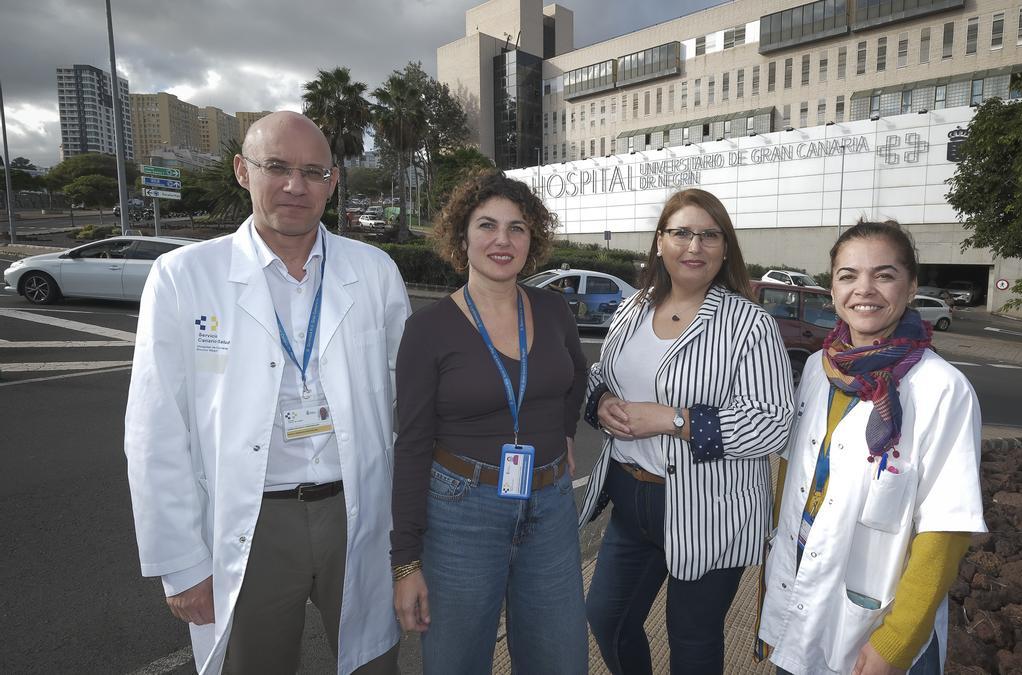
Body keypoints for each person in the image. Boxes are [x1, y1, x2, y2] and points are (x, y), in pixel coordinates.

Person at [124, 111, 410, 675]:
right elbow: (154, 429)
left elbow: (408, 406)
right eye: (276, 167)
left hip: (357, 512)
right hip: (252, 522)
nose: (295, 185)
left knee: (374, 663)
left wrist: (411, 542)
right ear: (241, 170)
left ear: (333, 182)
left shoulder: (375, 271)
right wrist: (180, 563)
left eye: (313, 171)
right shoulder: (184, 276)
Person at [579, 188, 795, 674]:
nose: (693, 246)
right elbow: (600, 377)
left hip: (708, 510)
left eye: (708, 235)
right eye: (681, 233)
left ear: (725, 248)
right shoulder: (633, 308)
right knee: (606, 617)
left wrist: (675, 420)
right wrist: (604, 403)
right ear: (659, 242)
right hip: (632, 499)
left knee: (692, 641)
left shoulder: (749, 325)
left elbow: (773, 424)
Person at [757, 220, 987, 675]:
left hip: (876, 630)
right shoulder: (820, 370)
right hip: (799, 597)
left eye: (883, 275)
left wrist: (896, 641)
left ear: (912, 285)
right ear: (832, 286)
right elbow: (795, 477)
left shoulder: (942, 389)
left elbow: (947, 529)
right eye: (848, 275)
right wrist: (775, 575)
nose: (865, 289)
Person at [390, 171, 589, 674]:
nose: (502, 239)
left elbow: (577, 375)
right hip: (462, 511)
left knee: (560, 660)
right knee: (457, 662)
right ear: (462, 238)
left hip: (550, 507)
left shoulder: (552, 308)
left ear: (532, 239)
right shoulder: (428, 329)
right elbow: (411, 445)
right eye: (487, 225)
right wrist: (406, 561)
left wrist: (564, 431)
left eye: (517, 227)